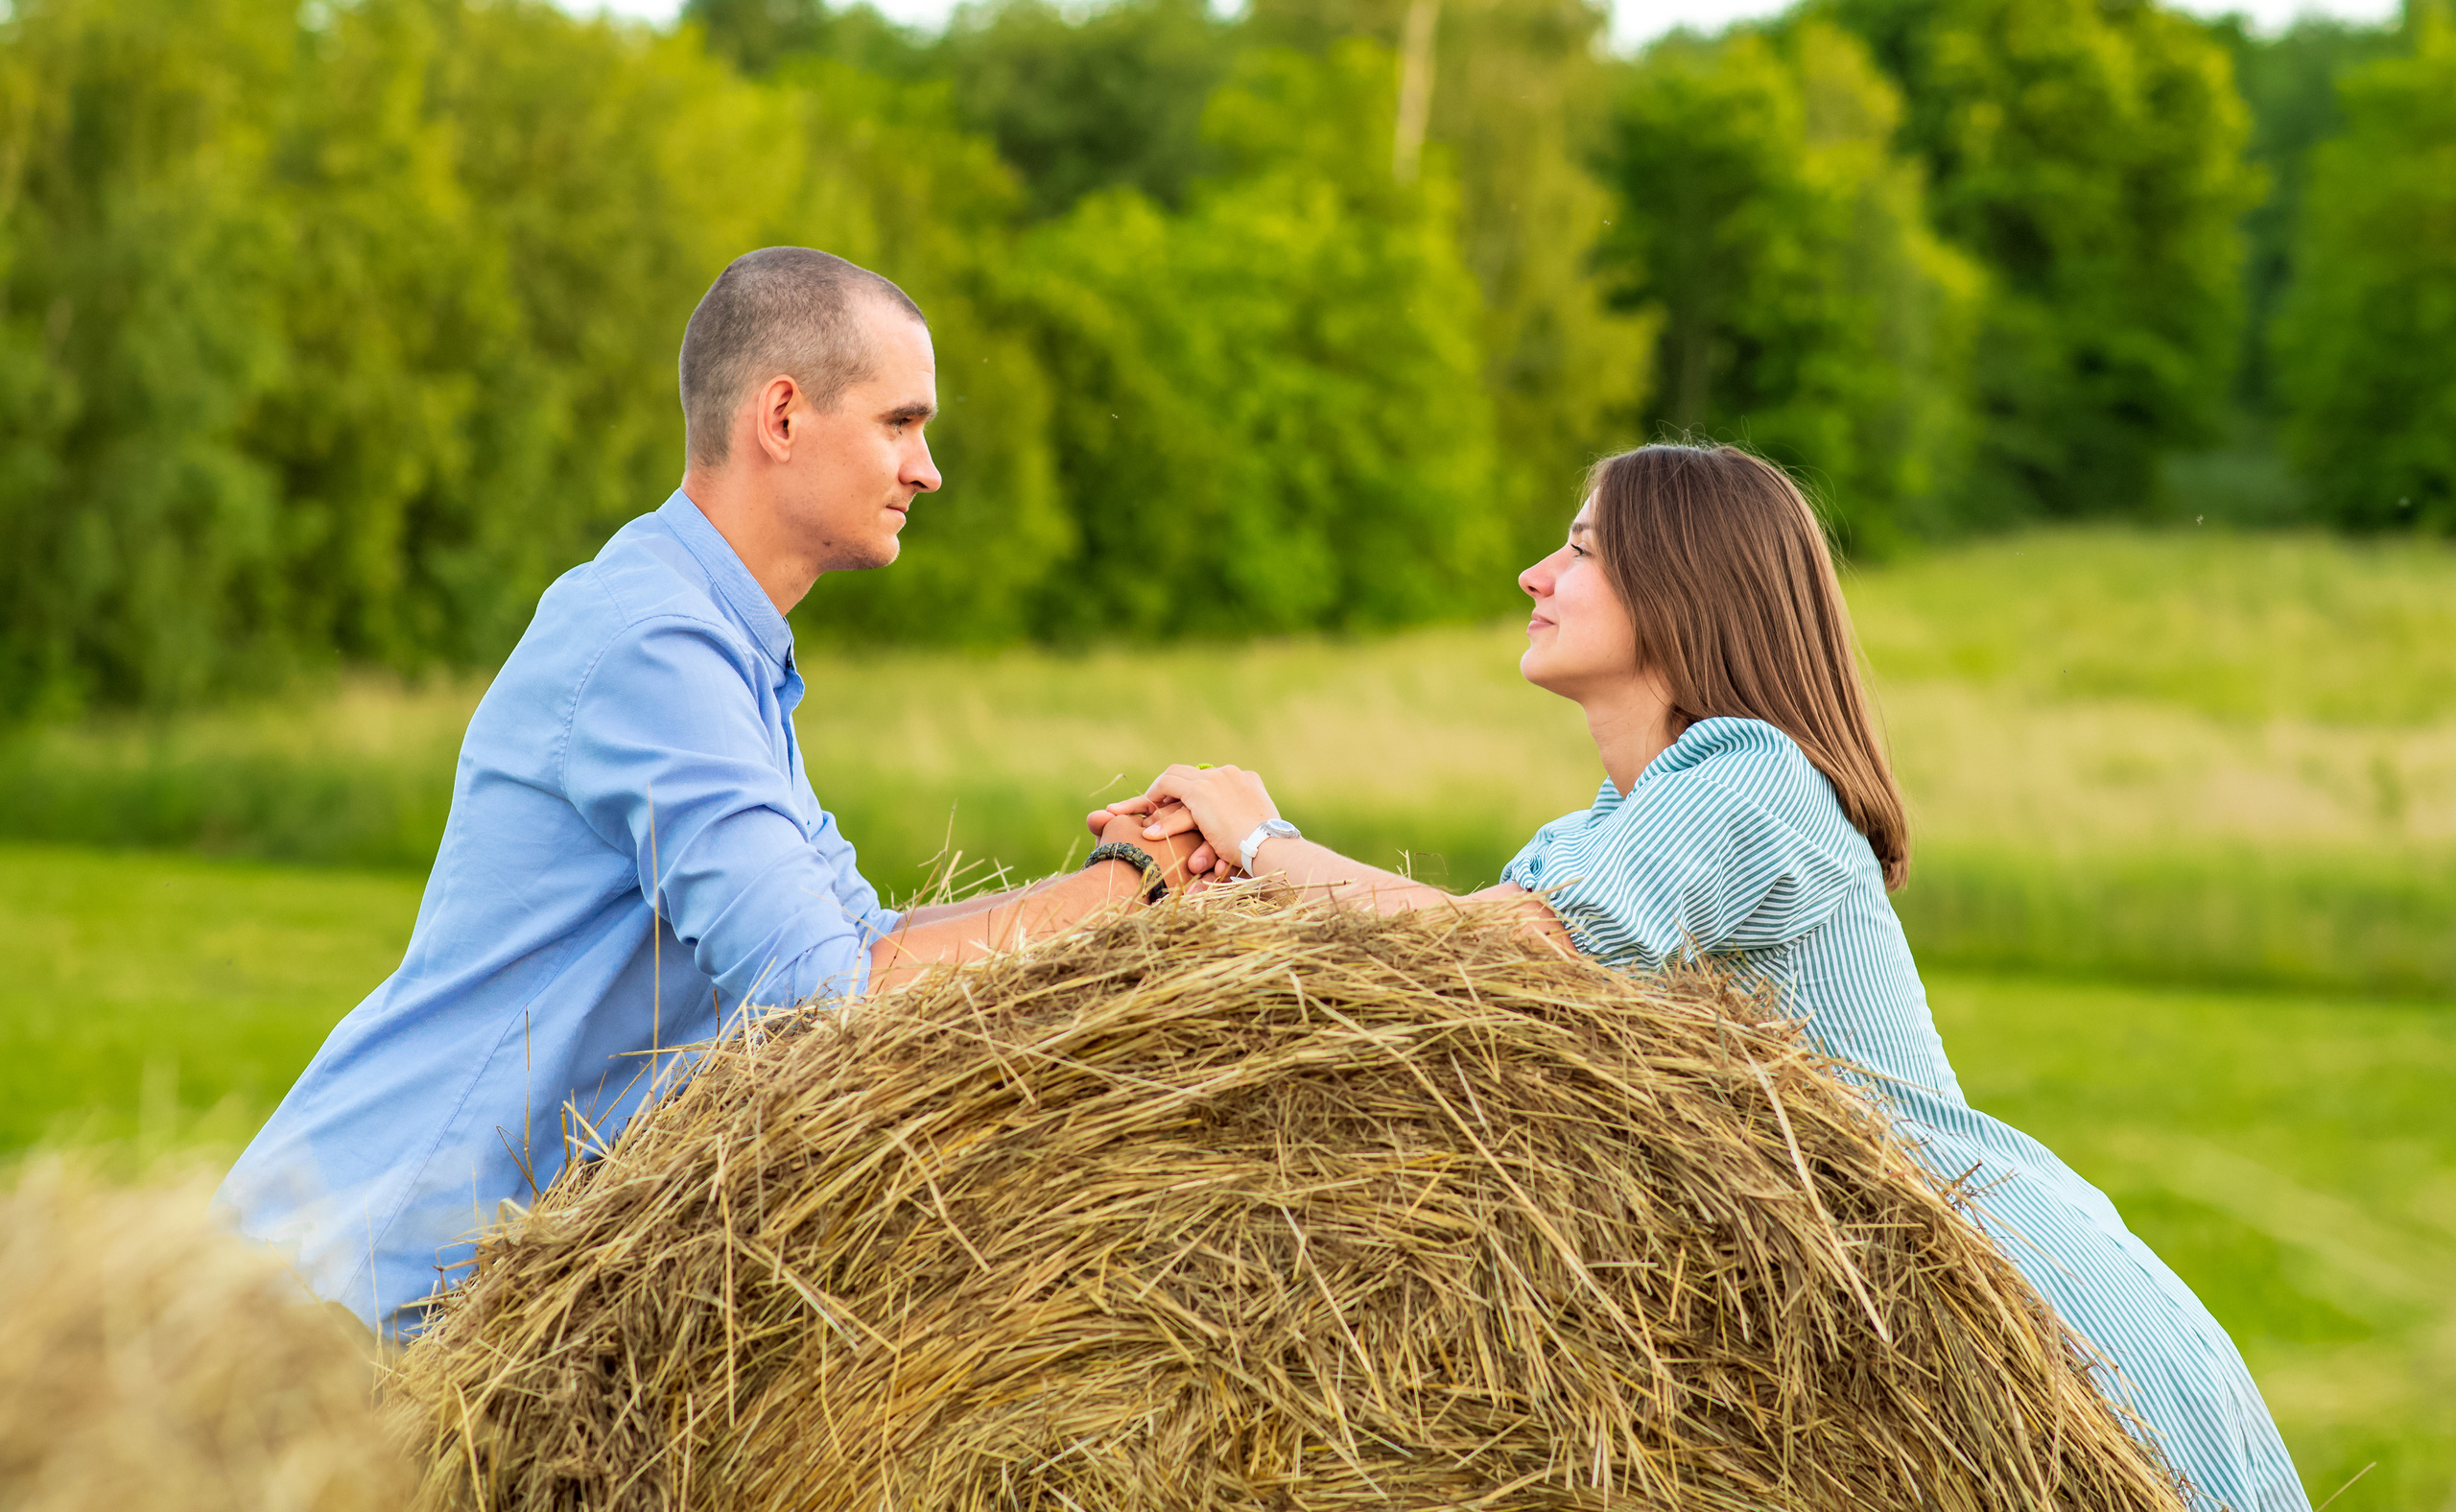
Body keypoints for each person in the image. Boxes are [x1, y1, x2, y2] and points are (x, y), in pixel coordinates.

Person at [1100, 443, 2309, 1512]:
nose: (1533, 575)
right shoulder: (1596, 834)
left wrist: (1264, 840)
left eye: (1576, 550)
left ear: (1682, 589)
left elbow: (1512, 954)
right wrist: (1233, 875)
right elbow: (1446, 963)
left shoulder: (1753, 775)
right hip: (1827, 1291)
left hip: (1978, 1300)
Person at [218, 248, 1192, 1338]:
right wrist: (1137, 882)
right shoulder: (653, 645)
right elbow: (828, 996)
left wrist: (1121, 885)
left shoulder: (720, 647)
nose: (927, 470)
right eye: (900, 423)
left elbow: (861, 942)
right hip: (343, 1301)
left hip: (440, 1318)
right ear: (781, 415)